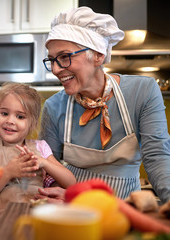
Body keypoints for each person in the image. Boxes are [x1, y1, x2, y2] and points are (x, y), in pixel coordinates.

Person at [36, 6, 170, 204]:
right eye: (52, 60)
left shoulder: (143, 92)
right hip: (74, 211)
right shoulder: (54, 107)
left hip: (125, 213)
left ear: (98, 55)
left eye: (64, 57)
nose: (55, 69)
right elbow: (47, 171)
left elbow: (157, 157)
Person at [0, 82, 76, 239]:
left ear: (32, 123)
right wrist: (6, 174)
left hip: (39, 217)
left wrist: (44, 162)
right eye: (4, 113)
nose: (10, 121)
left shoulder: (41, 147)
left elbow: (71, 183)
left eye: (20, 116)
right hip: (2, 223)